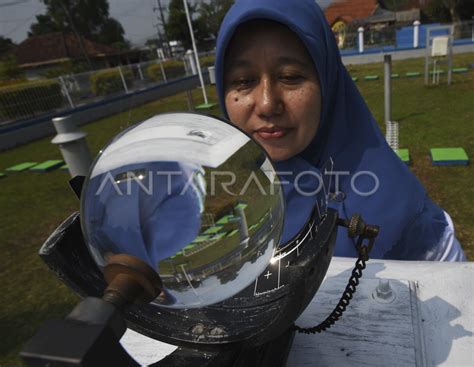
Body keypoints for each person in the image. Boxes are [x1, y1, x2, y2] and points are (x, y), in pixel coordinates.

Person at [214, 0, 466, 261]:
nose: (267, 104)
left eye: (289, 76)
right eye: (244, 81)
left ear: (328, 82)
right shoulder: (211, 203)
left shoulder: (400, 214)